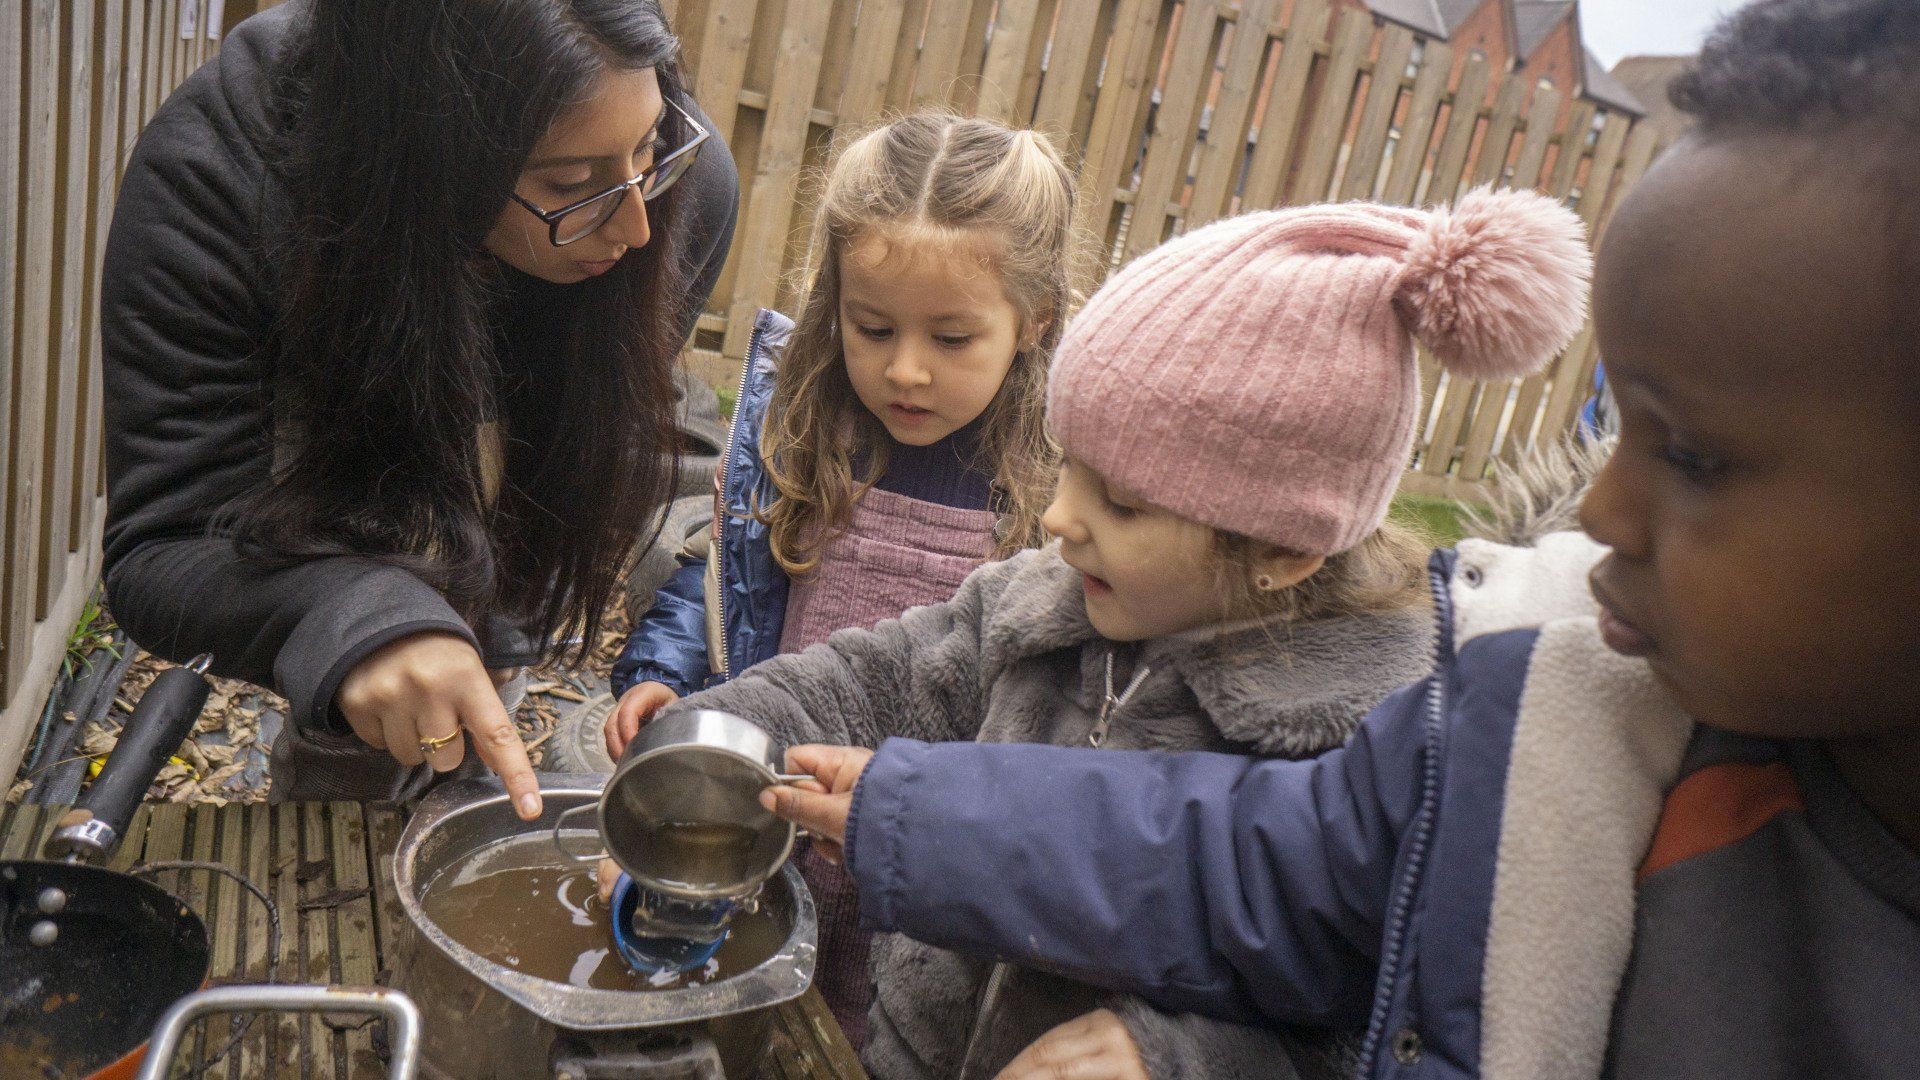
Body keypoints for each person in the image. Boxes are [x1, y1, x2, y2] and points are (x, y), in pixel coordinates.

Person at [760, 1, 1920, 1077]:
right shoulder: (1535, 728)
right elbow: (1239, 867)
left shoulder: (1374, 711)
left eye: (1697, 457)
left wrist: (1182, 1052)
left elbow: (1351, 1018)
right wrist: (859, 787)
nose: (1602, 514)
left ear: (1282, 548)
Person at [654, 186, 1590, 1077]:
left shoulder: (1354, 742)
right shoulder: (1046, 601)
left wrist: (1193, 1063)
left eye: (1125, 504)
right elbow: (876, 677)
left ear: (1284, 549)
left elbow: (1374, 1020)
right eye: (1069, 469)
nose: (1058, 518)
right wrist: (713, 735)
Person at [101, 0, 737, 815]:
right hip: (324, 332)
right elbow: (166, 540)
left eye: (647, 150)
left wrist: (492, 631)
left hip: (466, 320)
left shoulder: (686, 180)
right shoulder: (211, 181)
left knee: (478, 643)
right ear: (429, 155)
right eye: (570, 184)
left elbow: (555, 451)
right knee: (374, 645)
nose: (638, 228)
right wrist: (361, 622)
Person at [601, 111, 1077, 1043]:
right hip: (767, 824)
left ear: (1033, 323)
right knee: (740, 1009)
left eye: (951, 339)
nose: (905, 369)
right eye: (873, 326)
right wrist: (665, 672)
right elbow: (725, 579)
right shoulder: (810, 425)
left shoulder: (1054, 486)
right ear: (835, 303)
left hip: (927, 876)